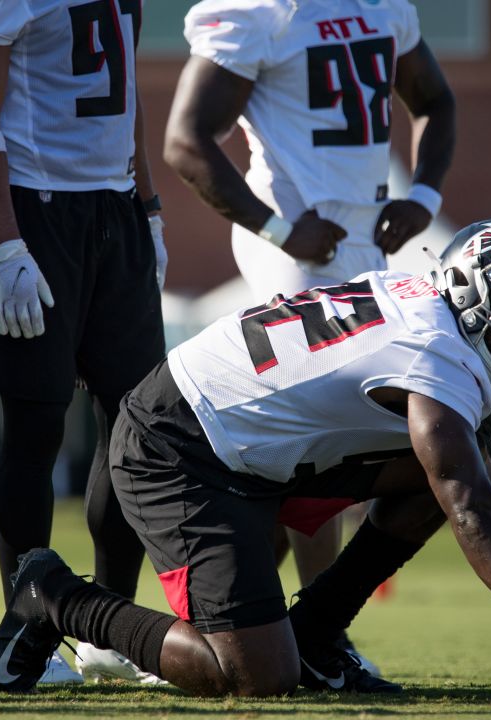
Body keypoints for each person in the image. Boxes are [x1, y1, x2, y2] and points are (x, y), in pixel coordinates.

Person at [0, 219, 491, 700]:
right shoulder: (440, 351)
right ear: (474, 284)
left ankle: (319, 633)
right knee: (251, 674)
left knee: (433, 467)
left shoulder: (414, 295)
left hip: (238, 441)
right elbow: (469, 503)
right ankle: (55, 595)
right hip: (176, 445)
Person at [163, 0, 458, 639]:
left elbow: (435, 100)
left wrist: (424, 197)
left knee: (344, 446)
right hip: (291, 242)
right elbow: (184, 141)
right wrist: (280, 230)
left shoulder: (381, 8)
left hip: (360, 244)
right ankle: (323, 633)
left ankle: (231, 625)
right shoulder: (264, 12)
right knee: (316, 437)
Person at [0, 0, 168, 685]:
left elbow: (125, 102)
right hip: (33, 206)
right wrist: (5, 244)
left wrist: (146, 207)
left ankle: (107, 626)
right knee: (36, 425)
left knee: (138, 424)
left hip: (111, 208)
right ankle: (25, 622)